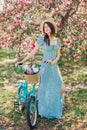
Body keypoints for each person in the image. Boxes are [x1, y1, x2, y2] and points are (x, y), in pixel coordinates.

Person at [16, 19, 66, 120]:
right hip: (44, 67)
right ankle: (43, 111)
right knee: (44, 89)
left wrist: (53, 62)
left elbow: (58, 55)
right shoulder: (42, 39)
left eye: (47, 26)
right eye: (44, 27)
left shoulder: (57, 40)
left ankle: (53, 109)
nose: (46, 28)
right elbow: (33, 52)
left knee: (60, 88)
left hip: (54, 67)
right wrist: (23, 60)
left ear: (52, 27)